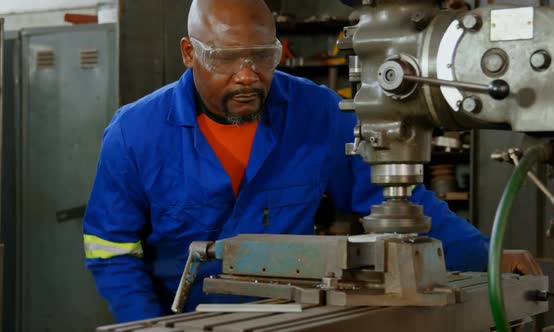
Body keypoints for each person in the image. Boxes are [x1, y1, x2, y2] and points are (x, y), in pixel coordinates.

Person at [83, 0, 489, 323]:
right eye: (226, 58)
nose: (248, 75)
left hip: (291, 316)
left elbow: (398, 202)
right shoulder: (135, 133)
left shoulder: (316, 112)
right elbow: (111, 251)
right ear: (190, 53)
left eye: (262, 56)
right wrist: (150, 325)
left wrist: (486, 258)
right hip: (182, 317)